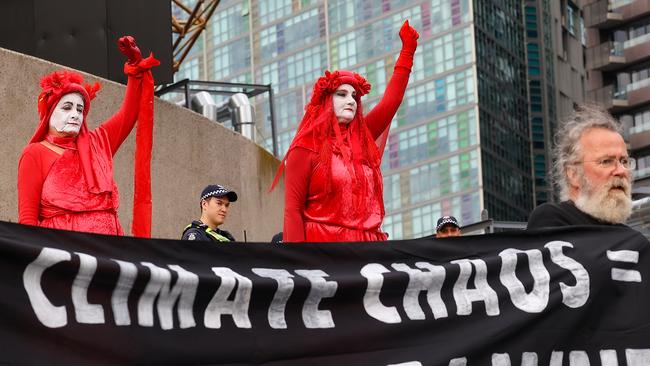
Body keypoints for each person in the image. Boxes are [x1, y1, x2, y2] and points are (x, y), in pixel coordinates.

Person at [272, 20, 419, 242]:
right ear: (325, 101)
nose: (351, 100)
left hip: (368, 251)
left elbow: (390, 103)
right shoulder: (304, 149)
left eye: (354, 96)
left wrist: (407, 52)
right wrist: (299, 267)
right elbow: (292, 211)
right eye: (342, 94)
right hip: (326, 253)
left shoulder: (363, 137)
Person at [17, 36, 159, 236]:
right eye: (67, 107)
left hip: (109, 254)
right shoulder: (34, 153)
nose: (75, 114)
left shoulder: (99, 142)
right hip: (62, 258)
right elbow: (28, 220)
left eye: (80, 109)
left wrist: (135, 68)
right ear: (49, 114)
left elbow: (129, 113)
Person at [527, 104, 634, 229]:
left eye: (624, 161)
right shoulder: (552, 219)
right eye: (606, 161)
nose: (621, 171)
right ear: (573, 174)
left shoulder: (631, 238)